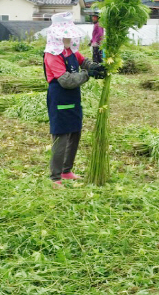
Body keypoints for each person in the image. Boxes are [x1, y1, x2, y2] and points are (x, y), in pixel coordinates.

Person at [44, 12, 106, 188]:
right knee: (61, 137)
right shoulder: (52, 54)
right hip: (60, 97)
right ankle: (55, 177)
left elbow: (83, 61)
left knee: (75, 132)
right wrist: (88, 74)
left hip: (73, 98)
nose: (68, 36)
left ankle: (66, 170)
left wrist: (96, 67)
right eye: (65, 34)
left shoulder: (70, 50)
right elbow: (66, 80)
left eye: (69, 33)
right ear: (56, 34)